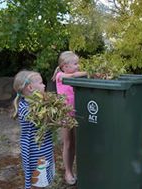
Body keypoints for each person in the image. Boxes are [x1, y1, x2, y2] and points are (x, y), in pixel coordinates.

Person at [12, 70, 55, 189]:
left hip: (44, 147)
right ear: (30, 87)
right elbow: (44, 120)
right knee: (37, 180)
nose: (44, 85)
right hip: (34, 151)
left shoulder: (37, 103)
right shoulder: (26, 108)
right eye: (41, 83)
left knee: (45, 177)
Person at [52, 51, 87, 185]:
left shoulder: (74, 76)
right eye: (75, 64)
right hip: (65, 114)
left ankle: (80, 170)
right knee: (68, 143)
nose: (78, 66)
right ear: (65, 66)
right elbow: (72, 75)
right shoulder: (60, 75)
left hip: (77, 113)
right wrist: (88, 72)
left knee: (77, 143)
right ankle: (68, 171)